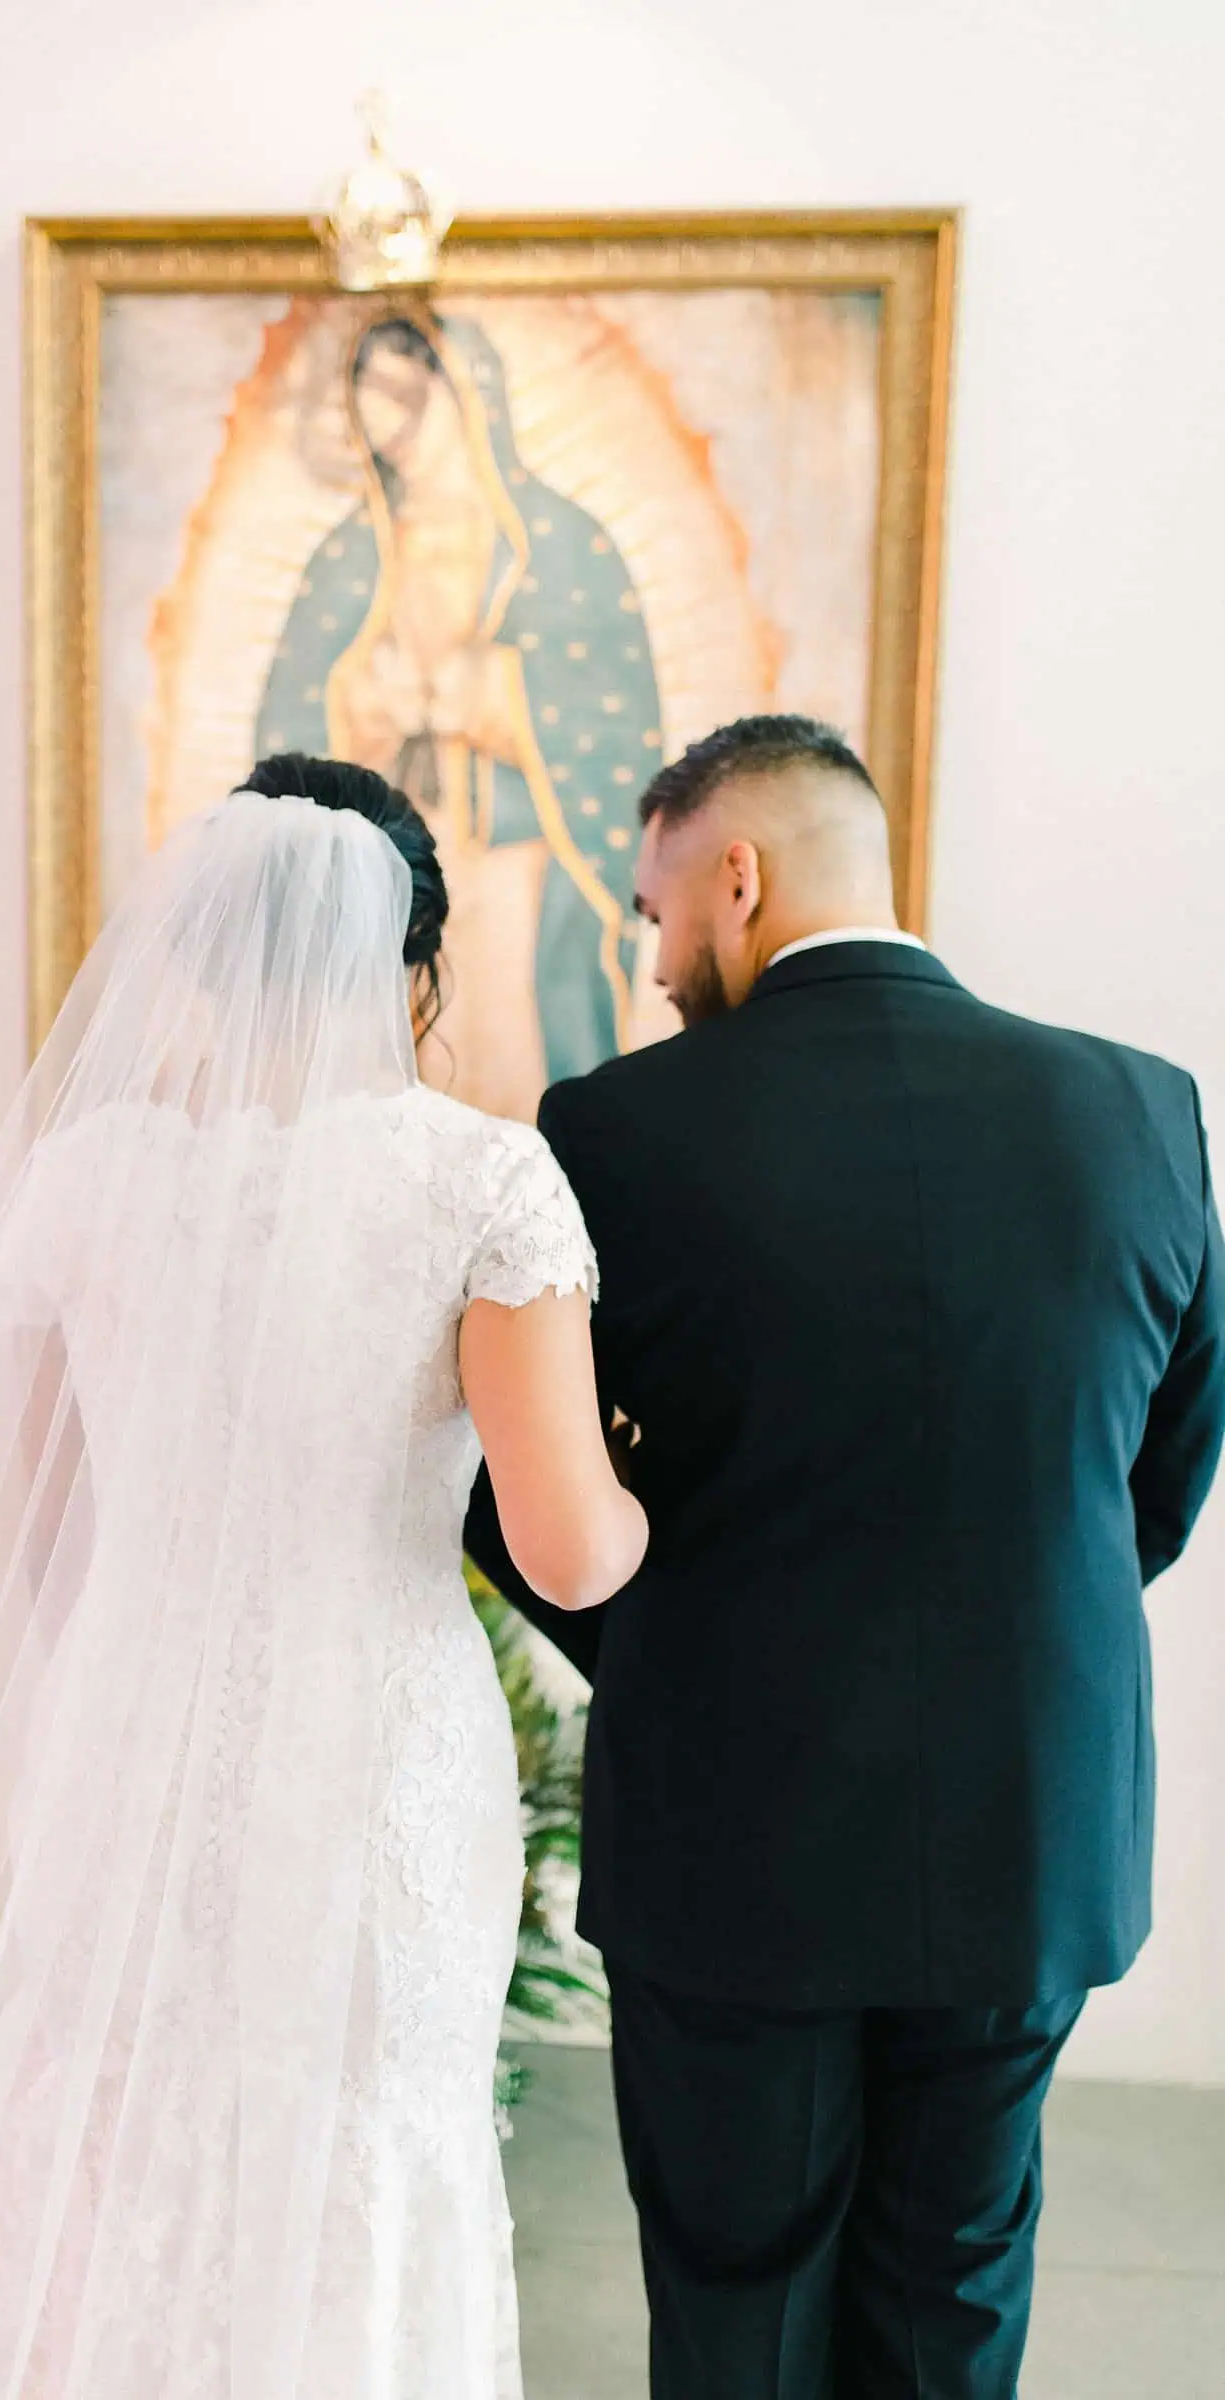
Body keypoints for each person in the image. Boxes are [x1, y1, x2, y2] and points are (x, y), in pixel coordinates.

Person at [0, 754, 645, 2400]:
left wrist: (149, 1645)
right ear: (416, 970)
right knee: (363, 2146)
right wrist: (647, 1506)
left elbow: (42, 1523)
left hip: (121, 1718)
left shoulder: (92, 1176)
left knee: (113, 2144)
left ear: (187, 962)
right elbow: (561, 1542)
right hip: (376, 1739)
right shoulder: (483, 1180)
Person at [466, 713, 1225, 2400]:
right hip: (1030, 1822)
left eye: (658, 914)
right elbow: (1156, 1483)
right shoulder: (1141, 1112)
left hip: (736, 1838)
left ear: (737, 876)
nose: (658, 963)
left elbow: (525, 1503)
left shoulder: (612, 1133)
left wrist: (683, 1654)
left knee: (739, 2291)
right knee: (956, 2283)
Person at [258, 310, 662, 1115]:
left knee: (522, 1094)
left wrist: (489, 694)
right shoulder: (350, 557)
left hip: (520, 871)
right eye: (369, 403)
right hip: (388, 902)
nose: (389, 429)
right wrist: (367, 697)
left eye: (407, 398)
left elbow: (615, 732)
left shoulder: (561, 547)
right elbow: (292, 718)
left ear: (467, 396)